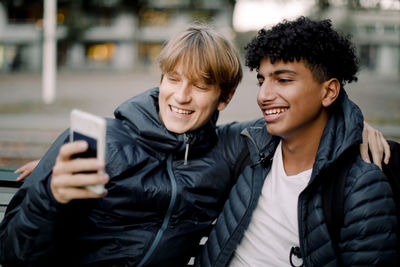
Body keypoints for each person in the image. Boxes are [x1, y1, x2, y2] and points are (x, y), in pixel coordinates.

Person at [0, 24, 390, 266]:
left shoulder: (229, 147)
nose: (181, 97)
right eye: (173, 79)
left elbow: (300, 114)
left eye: (201, 86)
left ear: (223, 98)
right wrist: (48, 197)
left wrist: (353, 123)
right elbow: (12, 254)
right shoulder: (92, 143)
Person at [196, 17, 397, 267]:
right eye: (262, 80)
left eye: (283, 80)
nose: (263, 96)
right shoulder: (249, 142)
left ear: (328, 92)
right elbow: (177, 127)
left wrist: (352, 124)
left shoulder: (360, 185)